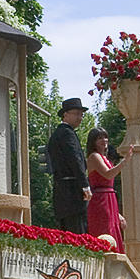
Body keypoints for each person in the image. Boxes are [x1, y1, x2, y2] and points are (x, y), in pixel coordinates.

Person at [85, 127, 134, 252]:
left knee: (114, 229)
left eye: (105, 137)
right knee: (105, 230)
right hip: (100, 199)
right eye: (99, 138)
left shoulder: (104, 158)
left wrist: (117, 214)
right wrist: (124, 162)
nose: (104, 140)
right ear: (93, 141)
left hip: (109, 198)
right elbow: (108, 174)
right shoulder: (94, 156)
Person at [47, 98, 92, 234]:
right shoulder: (67, 134)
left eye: (81, 114)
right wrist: (85, 185)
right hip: (72, 192)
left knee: (66, 233)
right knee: (78, 232)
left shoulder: (57, 135)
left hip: (61, 192)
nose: (80, 118)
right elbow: (75, 160)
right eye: (77, 113)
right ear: (65, 114)